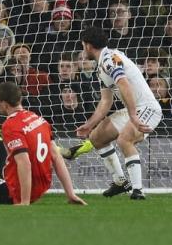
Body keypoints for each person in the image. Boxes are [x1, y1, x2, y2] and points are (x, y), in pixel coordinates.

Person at [63, 27, 162, 200]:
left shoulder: (110, 60)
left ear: (87, 46)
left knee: (124, 139)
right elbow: (106, 102)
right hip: (133, 109)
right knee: (96, 138)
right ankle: (120, 181)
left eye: (82, 45)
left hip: (147, 108)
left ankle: (137, 191)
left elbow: (124, 84)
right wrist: (89, 125)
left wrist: (133, 116)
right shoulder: (102, 66)